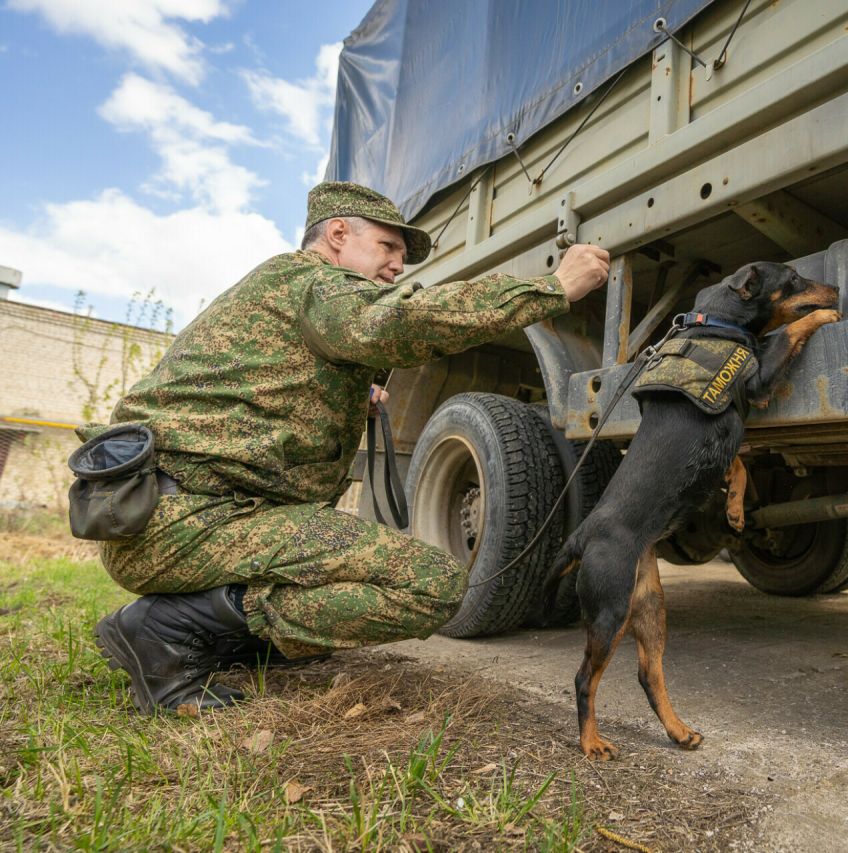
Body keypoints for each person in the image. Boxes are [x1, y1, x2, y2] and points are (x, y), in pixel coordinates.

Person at [85, 181, 609, 714]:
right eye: (389, 248)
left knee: (344, 587)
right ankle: (163, 629)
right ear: (338, 234)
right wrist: (552, 288)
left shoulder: (289, 293)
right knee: (433, 584)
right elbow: (402, 318)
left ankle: (217, 634)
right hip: (187, 519)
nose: (398, 267)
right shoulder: (311, 281)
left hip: (175, 518)